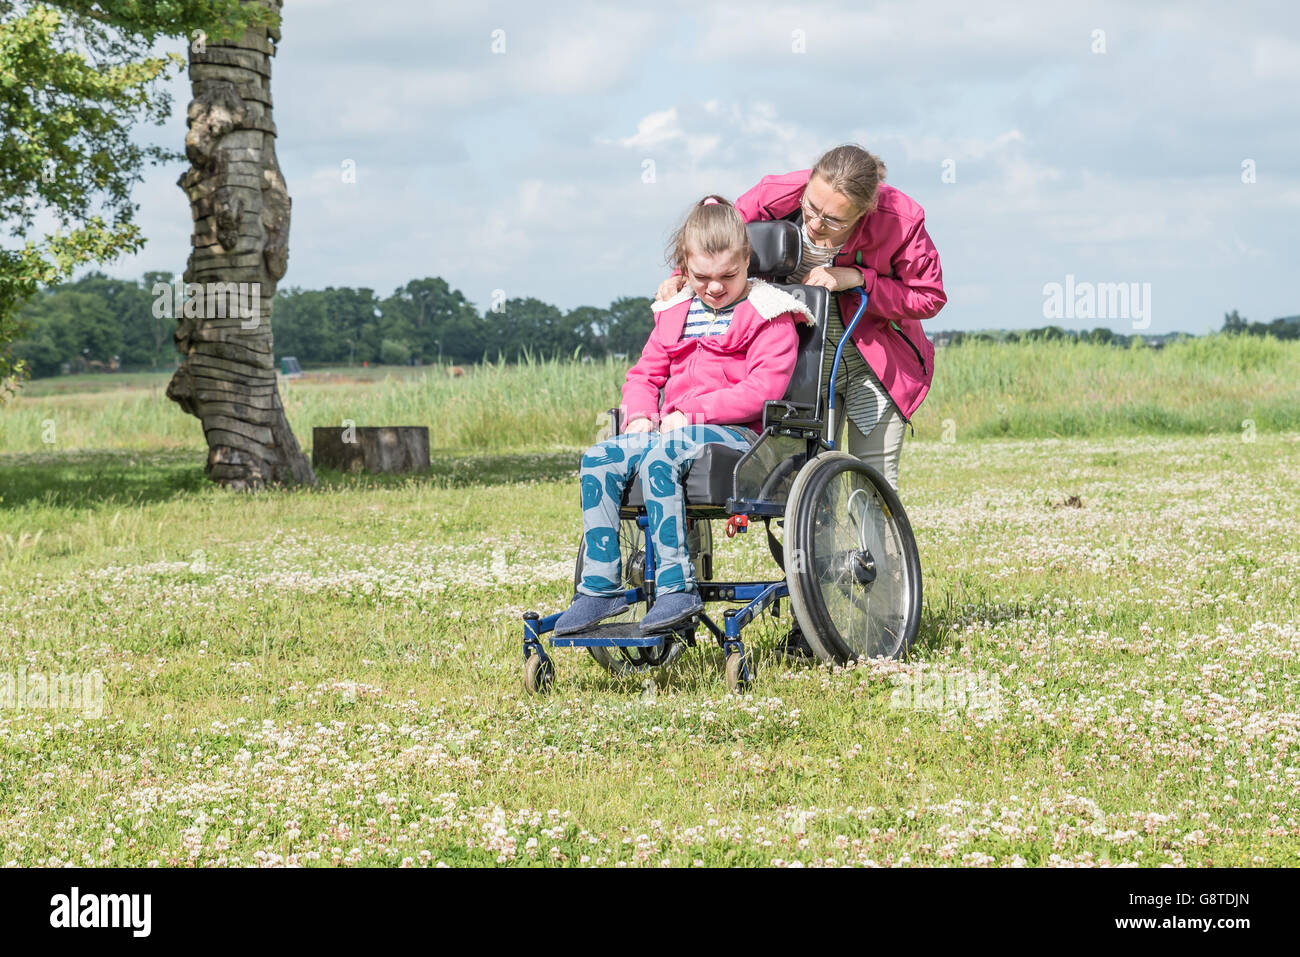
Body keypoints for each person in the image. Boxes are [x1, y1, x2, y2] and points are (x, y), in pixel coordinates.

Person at [556, 195, 816, 637]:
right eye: (702, 277)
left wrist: (694, 413)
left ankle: (677, 588)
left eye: (728, 276)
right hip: (670, 430)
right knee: (598, 458)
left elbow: (762, 389)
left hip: (740, 436)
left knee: (663, 458)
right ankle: (599, 589)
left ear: (747, 260)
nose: (714, 287)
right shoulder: (675, 313)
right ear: (684, 266)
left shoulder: (771, 314)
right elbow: (643, 375)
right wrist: (639, 415)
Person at [657, 144, 946, 492]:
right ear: (808, 182)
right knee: (815, 484)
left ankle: (878, 546)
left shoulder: (901, 220)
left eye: (834, 220)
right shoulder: (772, 194)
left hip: (875, 366)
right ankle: (823, 547)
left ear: (866, 210)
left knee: (875, 484)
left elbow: (928, 297)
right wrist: (680, 274)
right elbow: (712, 239)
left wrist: (858, 278)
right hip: (806, 364)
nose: (815, 223)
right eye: (811, 207)